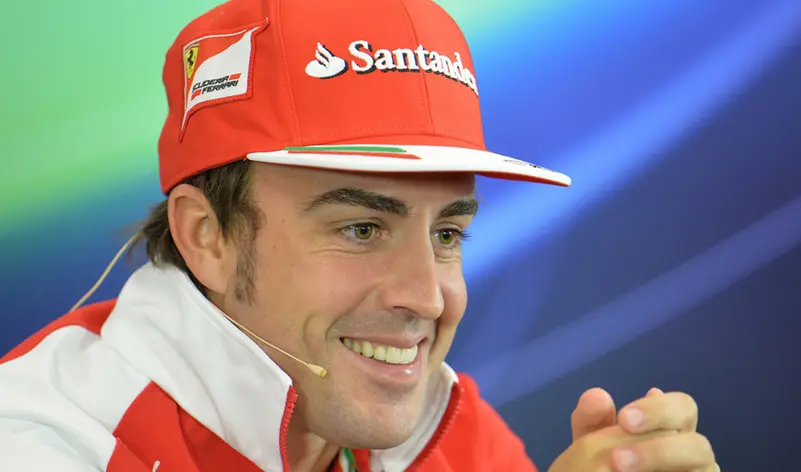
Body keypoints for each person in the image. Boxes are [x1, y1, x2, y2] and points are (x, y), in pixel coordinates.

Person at [0, 0, 719, 470]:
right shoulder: (46, 444)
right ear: (206, 236)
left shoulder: (448, 432)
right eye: (362, 226)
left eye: (447, 234)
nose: (427, 297)